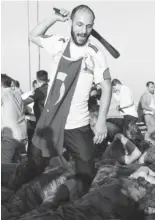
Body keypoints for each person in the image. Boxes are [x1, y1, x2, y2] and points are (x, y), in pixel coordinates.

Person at [14, 5, 112, 209]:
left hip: (79, 125)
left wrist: (101, 120)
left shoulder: (95, 54)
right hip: (50, 123)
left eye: (88, 26)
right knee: (33, 167)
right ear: (71, 23)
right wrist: (55, 18)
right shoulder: (58, 44)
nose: (83, 31)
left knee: (87, 174)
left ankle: (66, 205)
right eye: (79, 24)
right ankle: (12, 196)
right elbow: (33, 35)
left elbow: (107, 85)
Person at [1, 74, 27, 163]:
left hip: (10, 136)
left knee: (5, 166)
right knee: (16, 164)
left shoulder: (3, 93)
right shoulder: (18, 91)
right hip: (22, 135)